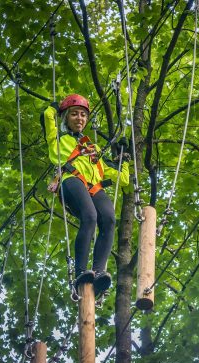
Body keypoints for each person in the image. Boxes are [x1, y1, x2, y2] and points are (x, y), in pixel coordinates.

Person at [41, 94, 130, 296]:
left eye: (83, 115)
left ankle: (99, 272)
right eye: (74, 114)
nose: (79, 118)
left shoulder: (93, 149)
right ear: (66, 118)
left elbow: (121, 179)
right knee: (90, 216)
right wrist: (54, 108)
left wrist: (125, 159)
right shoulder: (58, 138)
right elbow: (48, 117)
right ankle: (81, 271)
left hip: (93, 187)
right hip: (70, 179)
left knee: (108, 219)